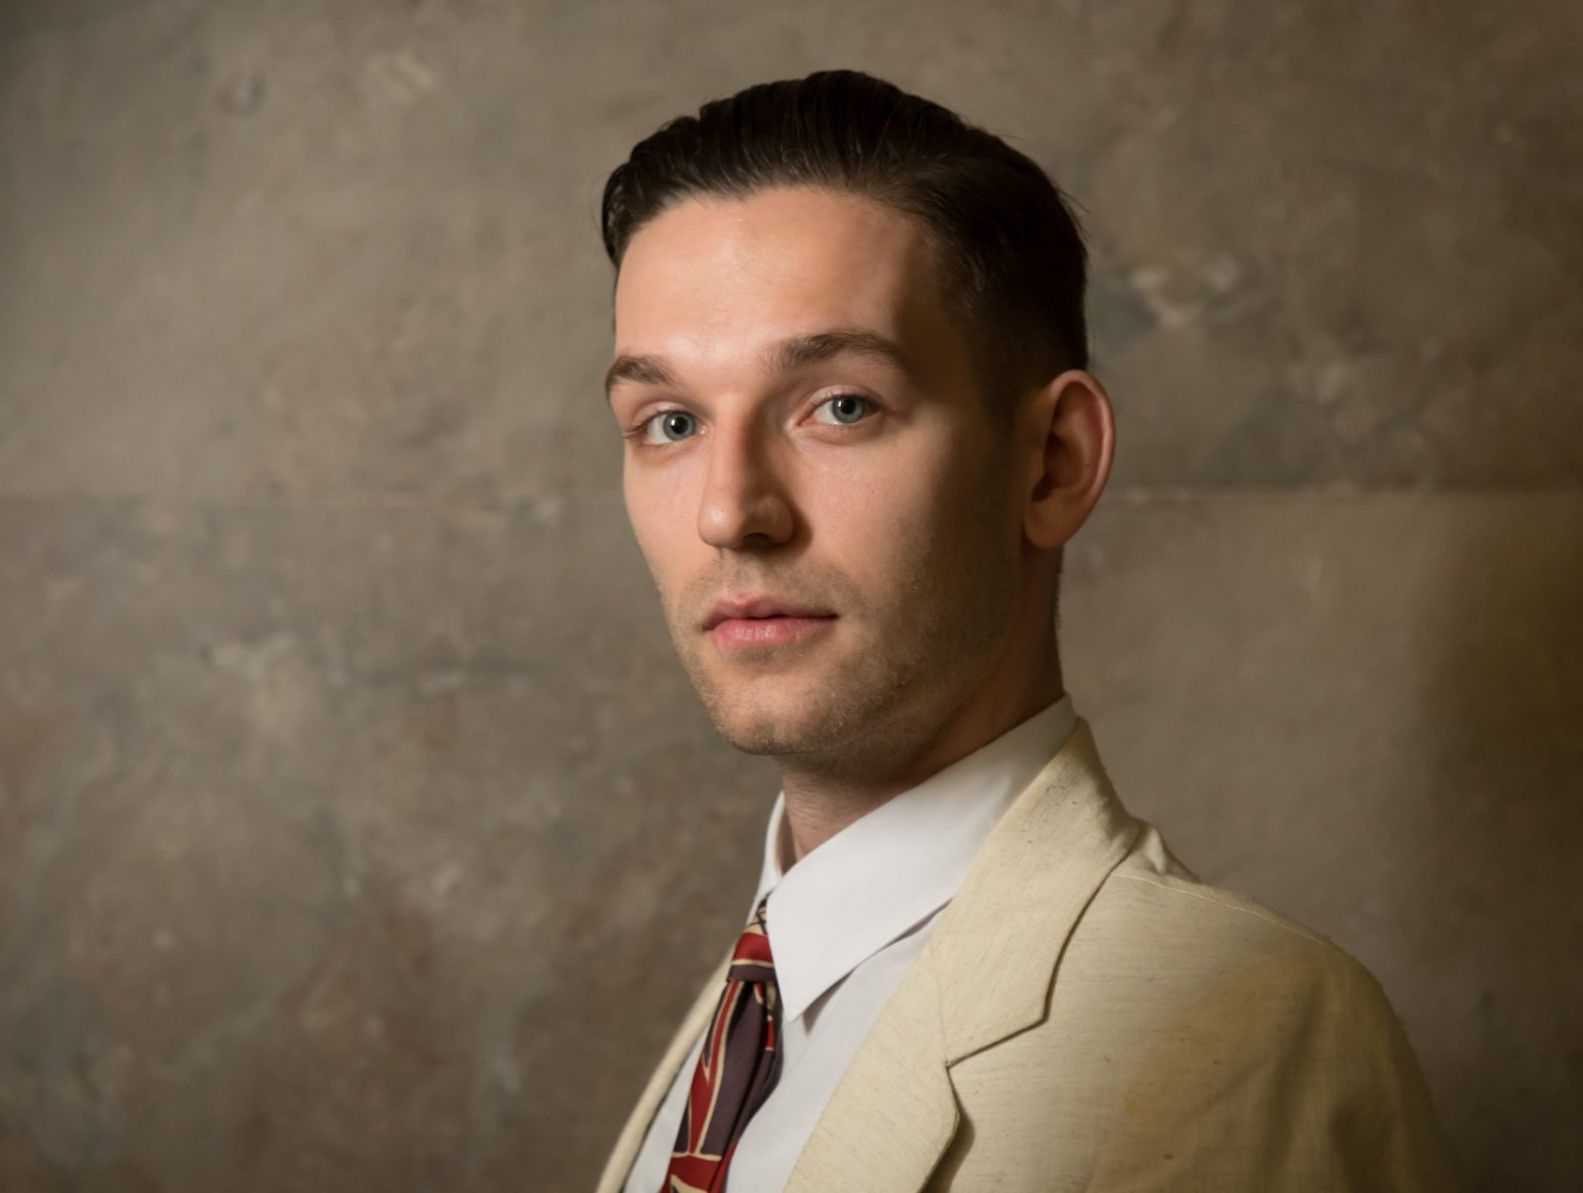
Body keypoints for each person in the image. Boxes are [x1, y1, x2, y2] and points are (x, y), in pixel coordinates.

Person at [591, 68, 1451, 1193]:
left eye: (840, 404)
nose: (726, 510)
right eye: (669, 421)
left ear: (1052, 462)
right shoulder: (751, 1006)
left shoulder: (1244, 1030)